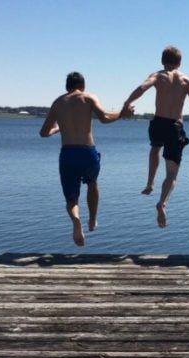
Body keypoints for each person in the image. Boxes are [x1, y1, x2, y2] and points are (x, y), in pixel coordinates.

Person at [40, 72, 133, 246]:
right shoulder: (88, 98)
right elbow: (104, 118)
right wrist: (122, 113)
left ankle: (76, 220)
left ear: (66, 87)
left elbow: (44, 132)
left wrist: (58, 129)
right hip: (87, 152)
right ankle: (92, 220)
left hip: (68, 154)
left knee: (71, 199)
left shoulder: (58, 102)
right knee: (92, 184)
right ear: (83, 86)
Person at [122, 46, 189, 228]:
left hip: (158, 122)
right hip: (175, 125)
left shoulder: (158, 75)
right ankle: (163, 202)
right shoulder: (185, 80)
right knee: (171, 173)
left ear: (162, 60)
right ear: (180, 62)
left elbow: (142, 87)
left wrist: (128, 103)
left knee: (155, 148)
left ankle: (150, 183)